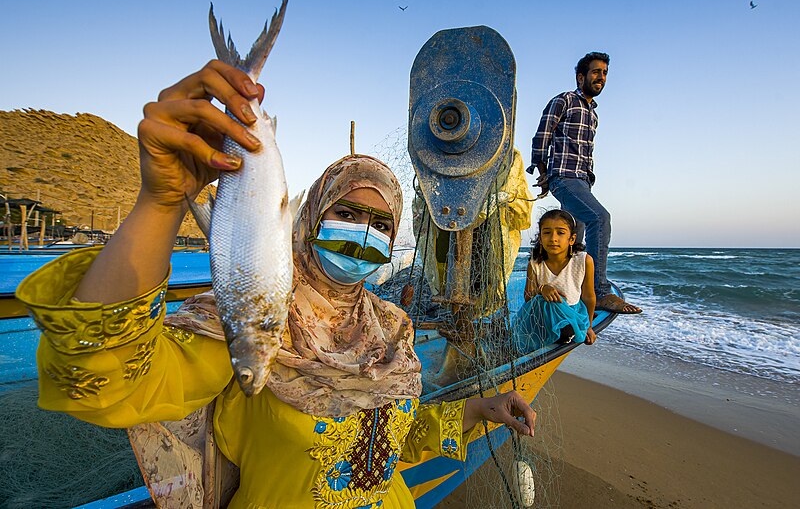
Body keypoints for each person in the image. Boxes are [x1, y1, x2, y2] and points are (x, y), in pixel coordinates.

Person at [16, 60, 536, 508]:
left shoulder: (392, 327)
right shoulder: (252, 319)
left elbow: (389, 443)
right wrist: (160, 204)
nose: (364, 235)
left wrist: (476, 409)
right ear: (307, 219)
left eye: (381, 224)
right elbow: (104, 380)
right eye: (348, 212)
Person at [529, 51, 641, 314]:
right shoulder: (565, 100)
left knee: (574, 240)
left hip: (582, 180)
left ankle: (570, 290)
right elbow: (541, 136)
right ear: (581, 77)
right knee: (600, 218)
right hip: (564, 177)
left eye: (604, 73)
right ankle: (601, 292)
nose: (600, 77)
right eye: (595, 72)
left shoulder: (593, 113)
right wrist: (544, 173)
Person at [512, 209, 596, 353]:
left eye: (560, 233)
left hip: (570, 312)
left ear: (572, 239)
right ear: (540, 237)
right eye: (547, 232)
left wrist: (589, 326)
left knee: (564, 323)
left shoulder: (583, 261)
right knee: (543, 302)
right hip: (542, 316)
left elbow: (588, 296)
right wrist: (542, 288)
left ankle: (565, 332)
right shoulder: (535, 263)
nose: (553, 238)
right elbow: (528, 298)